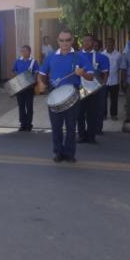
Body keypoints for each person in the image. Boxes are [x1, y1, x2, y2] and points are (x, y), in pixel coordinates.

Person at [38, 29, 94, 163]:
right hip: (54, 93)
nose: (64, 43)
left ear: (72, 41)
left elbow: (91, 77)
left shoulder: (79, 57)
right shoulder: (51, 56)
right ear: (58, 41)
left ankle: (69, 153)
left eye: (68, 40)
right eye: (62, 40)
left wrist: (83, 74)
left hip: (74, 94)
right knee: (56, 126)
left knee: (70, 126)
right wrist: (40, 82)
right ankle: (58, 152)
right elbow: (42, 73)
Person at [11, 45, 39, 131]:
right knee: (21, 106)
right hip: (19, 87)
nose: (23, 52)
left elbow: (36, 73)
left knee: (29, 106)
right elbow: (13, 70)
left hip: (29, 88)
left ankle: (29, 124)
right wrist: (18, 77)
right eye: (22, 51)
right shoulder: (18, 61)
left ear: (29, 52)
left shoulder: (34, 62)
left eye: (25, 51)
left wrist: (31, 80)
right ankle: (23, 124)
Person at [102, 38, 122, 120]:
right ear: (106, 44)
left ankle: (113, 115)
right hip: (104, 81)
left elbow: (121, 67)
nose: (109, 45)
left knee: (114, 99)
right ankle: (104, 115)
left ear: (114, 44)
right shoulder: (102, 54)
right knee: (103, 99)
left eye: (111, 43)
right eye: (107, 43)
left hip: (114, 80)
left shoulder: (118, 54)